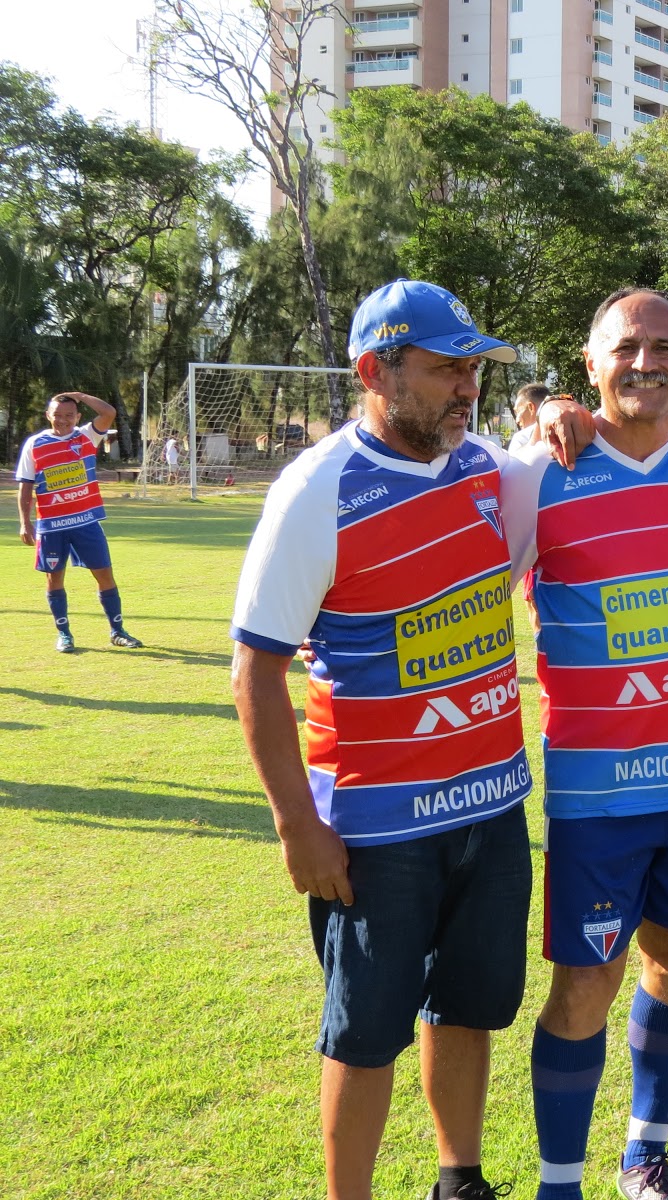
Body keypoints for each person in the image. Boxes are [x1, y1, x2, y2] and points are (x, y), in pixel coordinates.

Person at [230, 279, 534, 1200]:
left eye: (474, 370)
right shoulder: (316, 491)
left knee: (469, 1007)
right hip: (375, 827)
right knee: (364, 1034)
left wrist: (564, 412)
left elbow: (572, 455)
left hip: (493, 806)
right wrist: (297, 825)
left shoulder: (487, 469)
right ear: (376, 371)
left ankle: (459, 1179)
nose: (467, 388)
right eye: (446, 370)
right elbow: (255, 671)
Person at [500, 287, 668, 1200]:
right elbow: (465, 571)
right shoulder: (536, 470)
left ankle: (645, 1153)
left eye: (663, 348)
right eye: (624, 348)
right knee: (586, 982)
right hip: (597, 791)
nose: (644, 363)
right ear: (590, 362)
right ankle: (558, 1184)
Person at [15, 391, 144, 653]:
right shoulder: (35, 443)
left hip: (86, 522)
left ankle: (118, 631)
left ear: (78, 416)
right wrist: (25, 523)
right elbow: (26, 486)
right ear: (48, 415)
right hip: (52, 525)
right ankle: (64, 634)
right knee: (54, 579)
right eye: (57, 415)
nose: (63, 420)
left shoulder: (86, 436)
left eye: (69, 415)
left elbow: (109, 413)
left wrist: (79, 395)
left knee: (104, 575)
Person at [508, 383, 551, 455]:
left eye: (518, 411)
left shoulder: (521, 438)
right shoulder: (567, 432)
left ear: (531, 407)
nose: (517, 420)